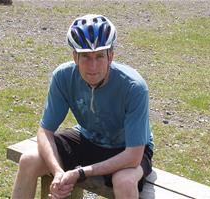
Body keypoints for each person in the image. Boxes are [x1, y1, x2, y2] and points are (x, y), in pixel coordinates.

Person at [11, 14, 154, 199]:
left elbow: (133, 156)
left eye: (100, 56)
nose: (92, 66)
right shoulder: (63, 76)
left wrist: (80, 172)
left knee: (124, 182)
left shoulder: (134, 87)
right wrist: (58, 171)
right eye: (85, 56)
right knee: (28, 161)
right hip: (87, 137)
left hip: (127, 147)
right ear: (75, 56)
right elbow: (45, 131)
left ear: (111, 55)